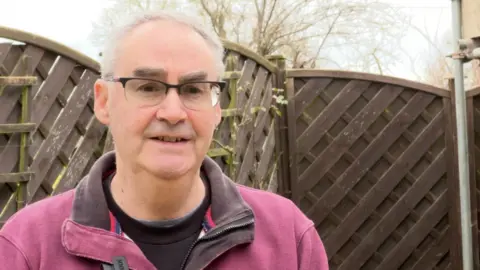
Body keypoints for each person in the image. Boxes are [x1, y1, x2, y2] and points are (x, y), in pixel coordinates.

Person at [0, 10, 329, 270]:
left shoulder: (288, 238)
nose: (173, 112)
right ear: (103, 102)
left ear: (217, 108)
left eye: (193, 90)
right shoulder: (28, 247)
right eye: (147, 87)